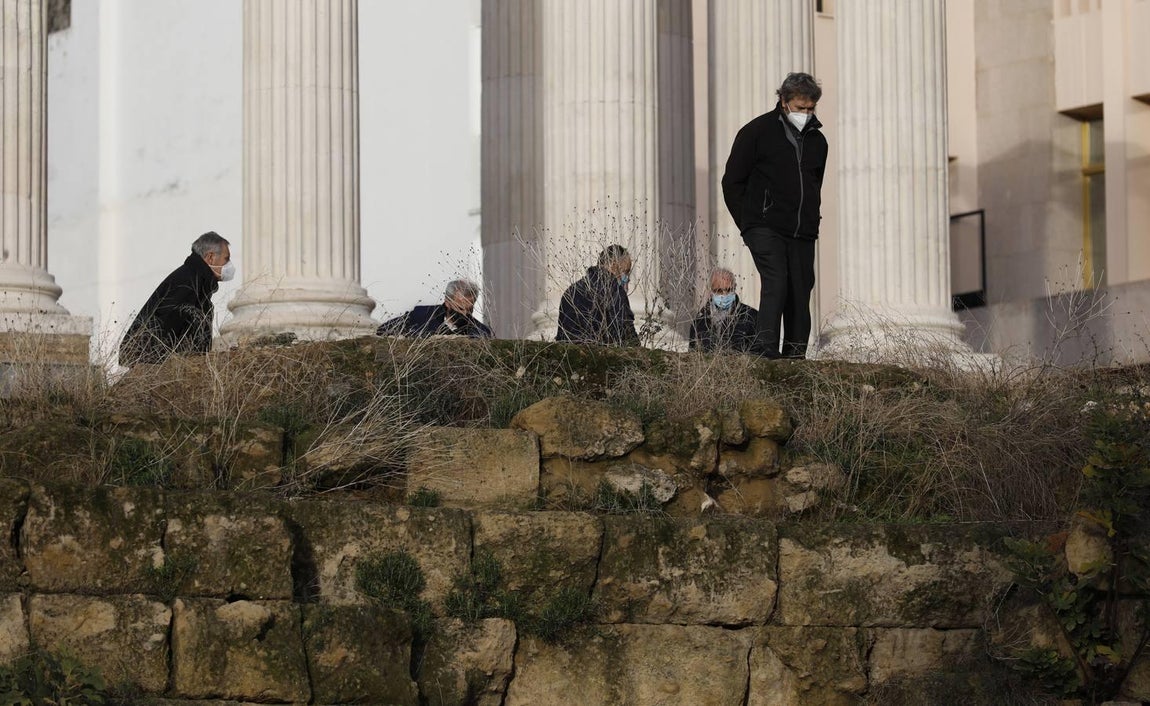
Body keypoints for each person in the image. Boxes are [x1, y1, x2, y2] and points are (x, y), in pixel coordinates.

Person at [721, 72, 828, 359]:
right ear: (783, 101)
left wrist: (811, 220)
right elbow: (732, 182)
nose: (805, 113)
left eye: (810, 109)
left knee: (800, 289)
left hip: (802, 230)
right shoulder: (756, 132)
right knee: (776, 280)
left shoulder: (818, 142)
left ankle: (795, 354)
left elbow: (814, 184)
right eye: (799, 107)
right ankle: (765, 348)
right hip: (764, 225)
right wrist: (748, 223)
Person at [119, 232, 234, 366]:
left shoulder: (198, 282)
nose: (229, 264)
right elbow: (165, 333)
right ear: (210, 257)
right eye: (226, 259)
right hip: (155, 373)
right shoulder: (188, 282)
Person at [556, 244, 639, 346]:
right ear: (614, 265)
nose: (627, 278)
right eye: (626, 271)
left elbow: (562, 338)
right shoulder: (614, 291)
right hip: (602, 358)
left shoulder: (571, 291)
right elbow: (625, 333)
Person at [376, 279, 493, 338]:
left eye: (470, 309)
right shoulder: (421, 315)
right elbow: (384, 330)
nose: (466, 313)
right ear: (447, 303)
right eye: (460, 308)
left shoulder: (481, 332)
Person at [689, 268, 758, 353]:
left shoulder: (750, 316)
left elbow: (757, 354)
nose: (724, 295)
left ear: (734, 288)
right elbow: (692, 355)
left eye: (728, 290)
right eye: (719, 291)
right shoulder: (699, 322)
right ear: (711, 291)